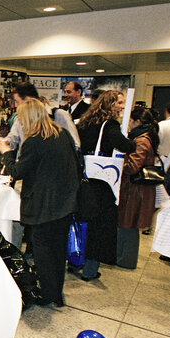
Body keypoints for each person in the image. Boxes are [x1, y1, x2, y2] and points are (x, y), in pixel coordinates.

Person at [0, 98, 79, 307]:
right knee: (58, 251)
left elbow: (17, 171)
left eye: (22, 119)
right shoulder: (62, 133)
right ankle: (56, 293)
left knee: (43, 252)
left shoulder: (35, 140)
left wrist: (6, 152)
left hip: (44, 205)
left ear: (28, 118)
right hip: (65, 202)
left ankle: (48, 294)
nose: (21, 123)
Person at [72, 91, 135, 281]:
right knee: (100, 227)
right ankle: (90, 270)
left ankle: (75, 261)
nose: (122, 106)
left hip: (83, 178)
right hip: (102, 182)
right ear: (111, 104)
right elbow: (126, 146)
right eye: (120, 102)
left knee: (82, 222)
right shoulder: (110, 125)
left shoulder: (85, 122)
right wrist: (130, 137)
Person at [116, 107, 159, 269]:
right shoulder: (147, 137)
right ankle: (123, 258)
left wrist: (120, 164)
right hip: (138, 188)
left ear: (137, 122)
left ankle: (125, 260)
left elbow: (133, 167)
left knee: (128, 224)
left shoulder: (141, 140)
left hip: (135, 189)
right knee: (129, 224)